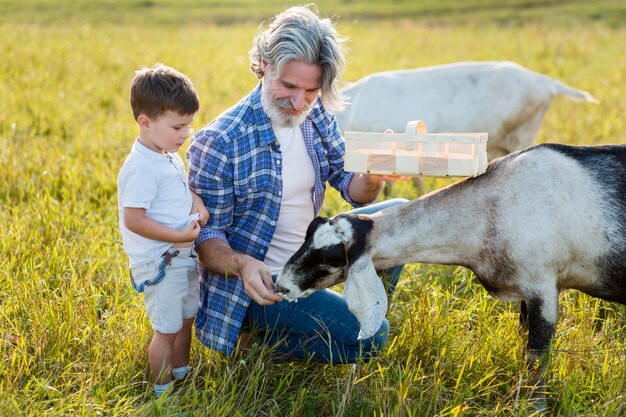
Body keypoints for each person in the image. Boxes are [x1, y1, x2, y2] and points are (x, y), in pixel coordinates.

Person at [187, 5, 406, 364]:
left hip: (310, 261)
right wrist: (242, 264)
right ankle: (261, 347)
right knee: (371, 340)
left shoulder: (314, 112)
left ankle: (361, 312)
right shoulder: (220, 141)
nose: (298, 101)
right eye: (288, 86)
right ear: (265, 64)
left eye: (310, 90)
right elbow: (207, 242)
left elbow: (351, 188)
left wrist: (374, 176)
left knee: (397, 215)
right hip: (260, 288)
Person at [117, 63, 209, 397]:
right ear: (146, 122)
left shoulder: (167, 154)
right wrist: (180, 236)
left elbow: (177, 191)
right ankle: (162, 394)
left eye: (189, 125)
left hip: (182, 254)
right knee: (167, 329)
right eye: (178, 126)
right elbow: (134, 220)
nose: (186, 134)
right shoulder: (141, 167)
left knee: (187, 319)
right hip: (162, 261)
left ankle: (182, 373)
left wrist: (195, 203)